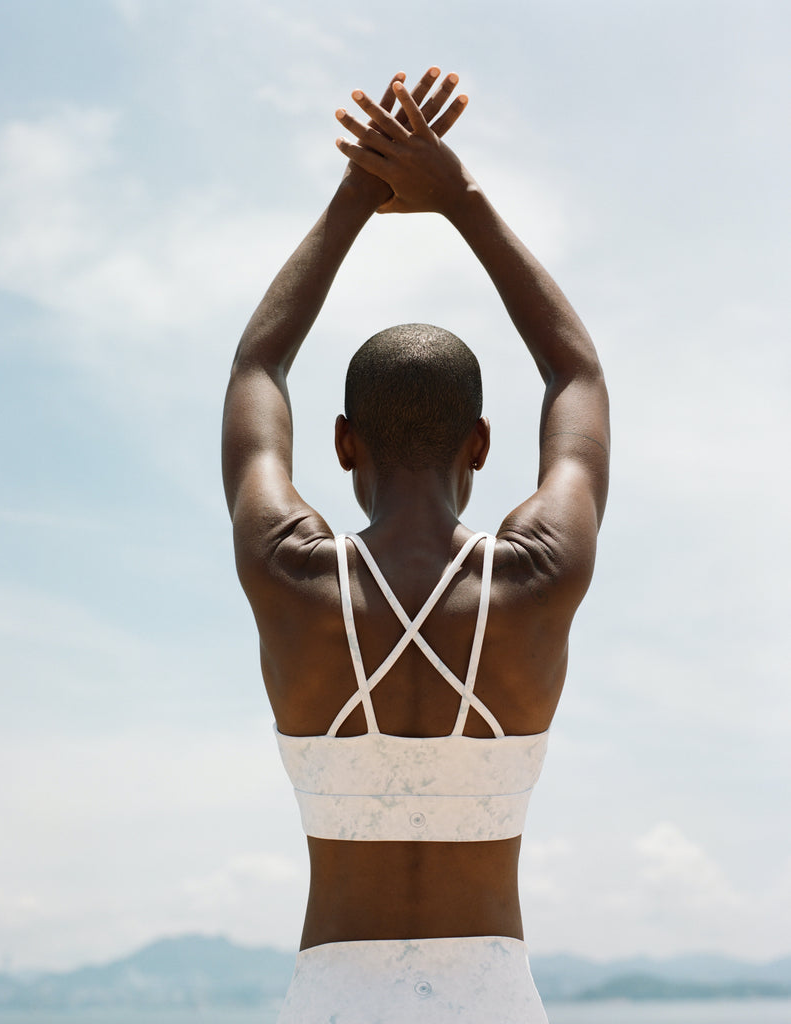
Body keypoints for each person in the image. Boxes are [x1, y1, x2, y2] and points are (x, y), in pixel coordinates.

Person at [222, 66, 609, 1024]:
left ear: (342, 441)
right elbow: (576, 372)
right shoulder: (539, 574)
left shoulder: (288, 570)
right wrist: (457, 197)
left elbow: (257, 363)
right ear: (481, 443)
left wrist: (361, 188)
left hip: (330, 1002)